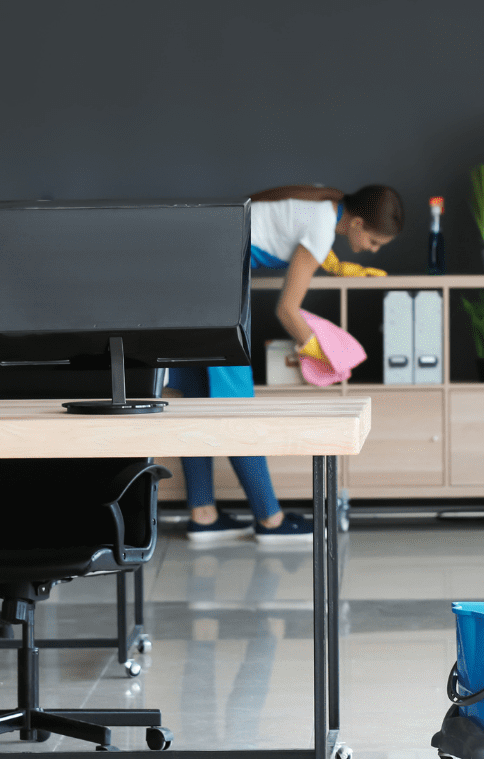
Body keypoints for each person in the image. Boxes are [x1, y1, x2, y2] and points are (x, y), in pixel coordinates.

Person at [172, 183, 403, 545]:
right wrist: (323, 356)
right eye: (373, 242)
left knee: (198, 396)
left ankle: (203, 514)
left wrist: (339, 266)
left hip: (188, 276)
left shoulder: (322, 201)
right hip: (217, 284)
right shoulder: (322, 225)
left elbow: (274, 221)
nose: (371, 250)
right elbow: (287, 310)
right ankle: (270, 519)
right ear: (357, 223)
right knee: (235, 405)